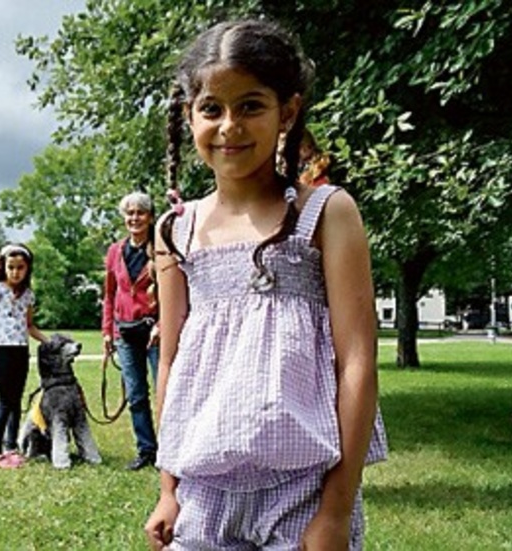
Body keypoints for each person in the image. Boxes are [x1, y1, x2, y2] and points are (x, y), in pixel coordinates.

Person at [144, 19, 387, 550]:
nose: (230, 125)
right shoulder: (174, 231)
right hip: (203, 497)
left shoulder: (327, 214)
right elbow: (171, 363)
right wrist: (169, 489)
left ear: (288, 112)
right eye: (211, 109)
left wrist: (336, 510)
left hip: (302, 494)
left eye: (251, 105)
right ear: (189, 116)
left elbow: (358, 362)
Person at [102, 191, 160, 471]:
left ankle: (171, 452)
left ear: (150, 217)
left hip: (155, 332)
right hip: (125, 333)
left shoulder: (161, 246)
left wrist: (162, 324)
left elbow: (174, 292)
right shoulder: (115, 251)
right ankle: (146, 449)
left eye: (140, 213)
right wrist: (107, 332)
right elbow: (109, 295)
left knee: (166, 393)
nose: (134, 218)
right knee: (136, 395)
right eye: (130, 213)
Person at [0, 243, 48, 469]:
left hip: (20, 352)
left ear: (27, 269)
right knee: (5, 402)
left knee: (16, 402)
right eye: (11, 267)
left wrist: (50, 341)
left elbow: (29, 326)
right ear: (4, 267)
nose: (15, 272)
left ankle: (11, 448)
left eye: (20, 268)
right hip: (0, 351)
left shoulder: (28, 295)